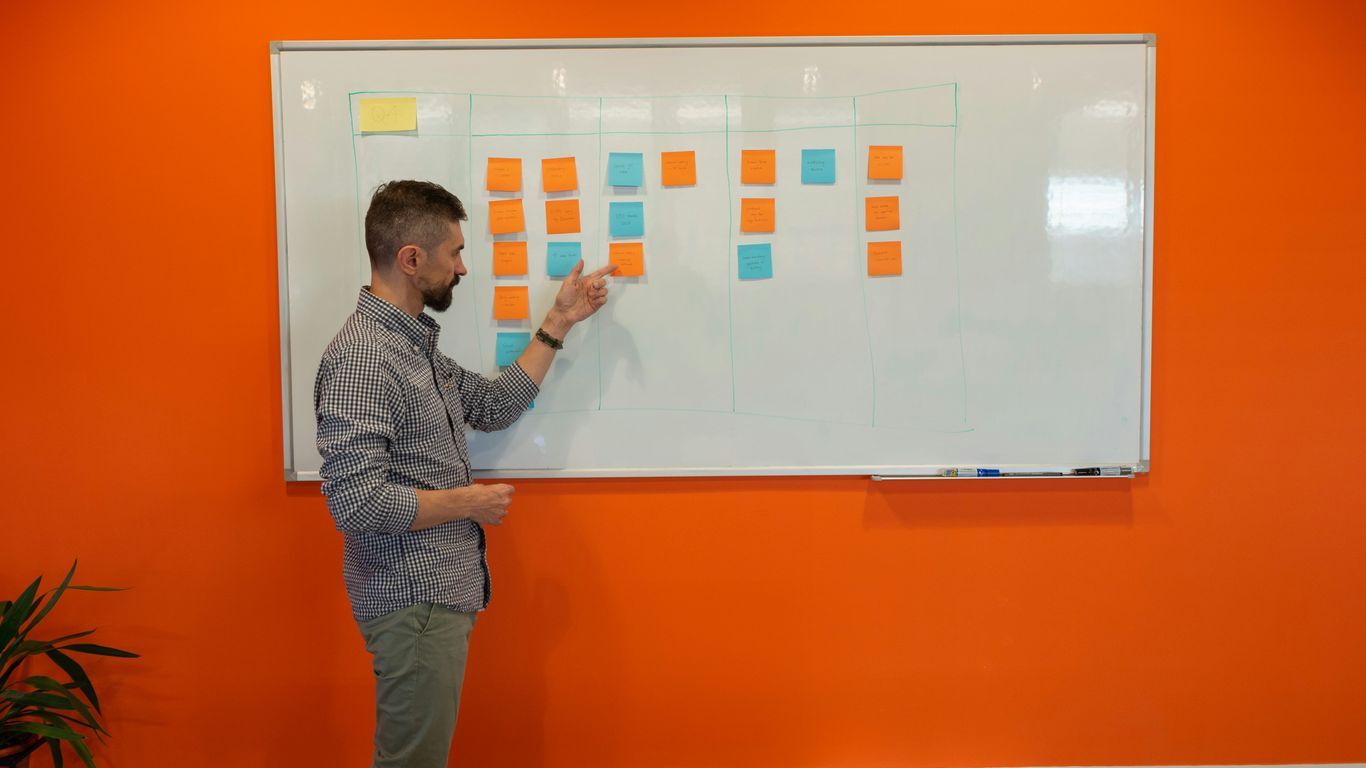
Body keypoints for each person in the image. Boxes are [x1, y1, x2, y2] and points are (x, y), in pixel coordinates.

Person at [313, 180, 616, 767]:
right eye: (453, 252)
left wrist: (558, 322)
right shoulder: (364, 356)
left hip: (434, 596)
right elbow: (354, 502)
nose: (462, 267)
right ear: (411, 259)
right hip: (412, 598)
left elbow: (493, 406)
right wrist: (466, 503)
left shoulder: (413, 347)